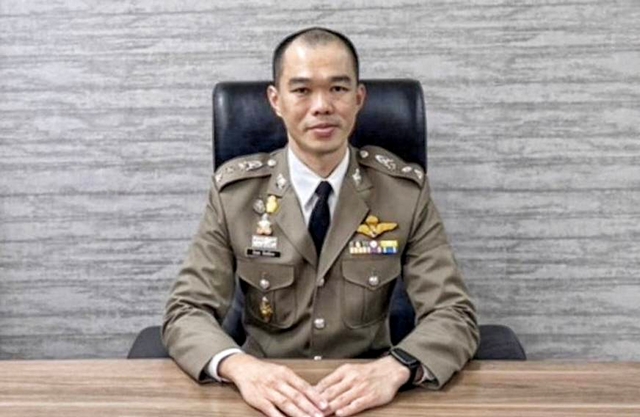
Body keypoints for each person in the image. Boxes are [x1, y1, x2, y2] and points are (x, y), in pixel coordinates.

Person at [162, 27, 478, 417]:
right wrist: (241, 368)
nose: (322, 106)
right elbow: (186, 310)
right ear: (275, 101)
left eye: (338, 89)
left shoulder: (403, 193)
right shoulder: (235, 195)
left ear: (359, 98)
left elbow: (453, 313)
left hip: (368, 395)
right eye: (302, 90)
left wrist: (397, 368)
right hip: (263, 396)